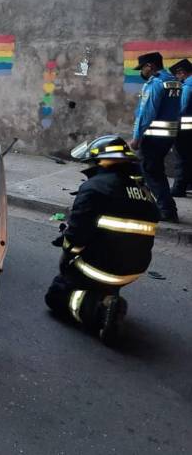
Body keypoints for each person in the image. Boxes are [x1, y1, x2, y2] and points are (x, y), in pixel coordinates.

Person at [45, 135, 160, 345]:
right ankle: (106, 296)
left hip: (101, 269)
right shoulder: (146, 193)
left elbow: (76, 237)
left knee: (56, 295)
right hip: (132, 270)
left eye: (91, 162)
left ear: (102, 162)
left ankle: (100, 309)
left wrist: (66, 257)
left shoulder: (95, 187)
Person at [129, 52, 182, 222]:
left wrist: (136, 137)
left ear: (150, 66)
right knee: (151, 170)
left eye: (142, 68)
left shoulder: (156, 83)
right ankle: (152, 204)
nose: (141, 72)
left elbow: (146, 113)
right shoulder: (173, 81)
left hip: (153, 136)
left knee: (152, 172)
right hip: (168, 135)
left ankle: (167, 210)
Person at [170, 58, 192, 197]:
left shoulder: (188, 86)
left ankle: (179, 187)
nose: (177, 78)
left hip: (185, 129)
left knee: (182, 157)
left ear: (182, 73)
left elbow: (181, 108)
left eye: (177, 75)